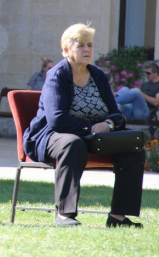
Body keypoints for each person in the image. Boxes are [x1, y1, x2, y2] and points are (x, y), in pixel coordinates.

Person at [24, 23, 145, 227]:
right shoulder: (57, 75)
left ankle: (118, 217)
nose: (87, 49)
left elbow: (116, 114)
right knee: (73, 143)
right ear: (65, 50)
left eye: (89, 44)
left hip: (95, 138)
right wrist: (90, 128)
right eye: (80, 45)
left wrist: (107, 123)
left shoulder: (98, 75)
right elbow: (57, 120)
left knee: (134, 149)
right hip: (53, 135)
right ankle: (65, 214)